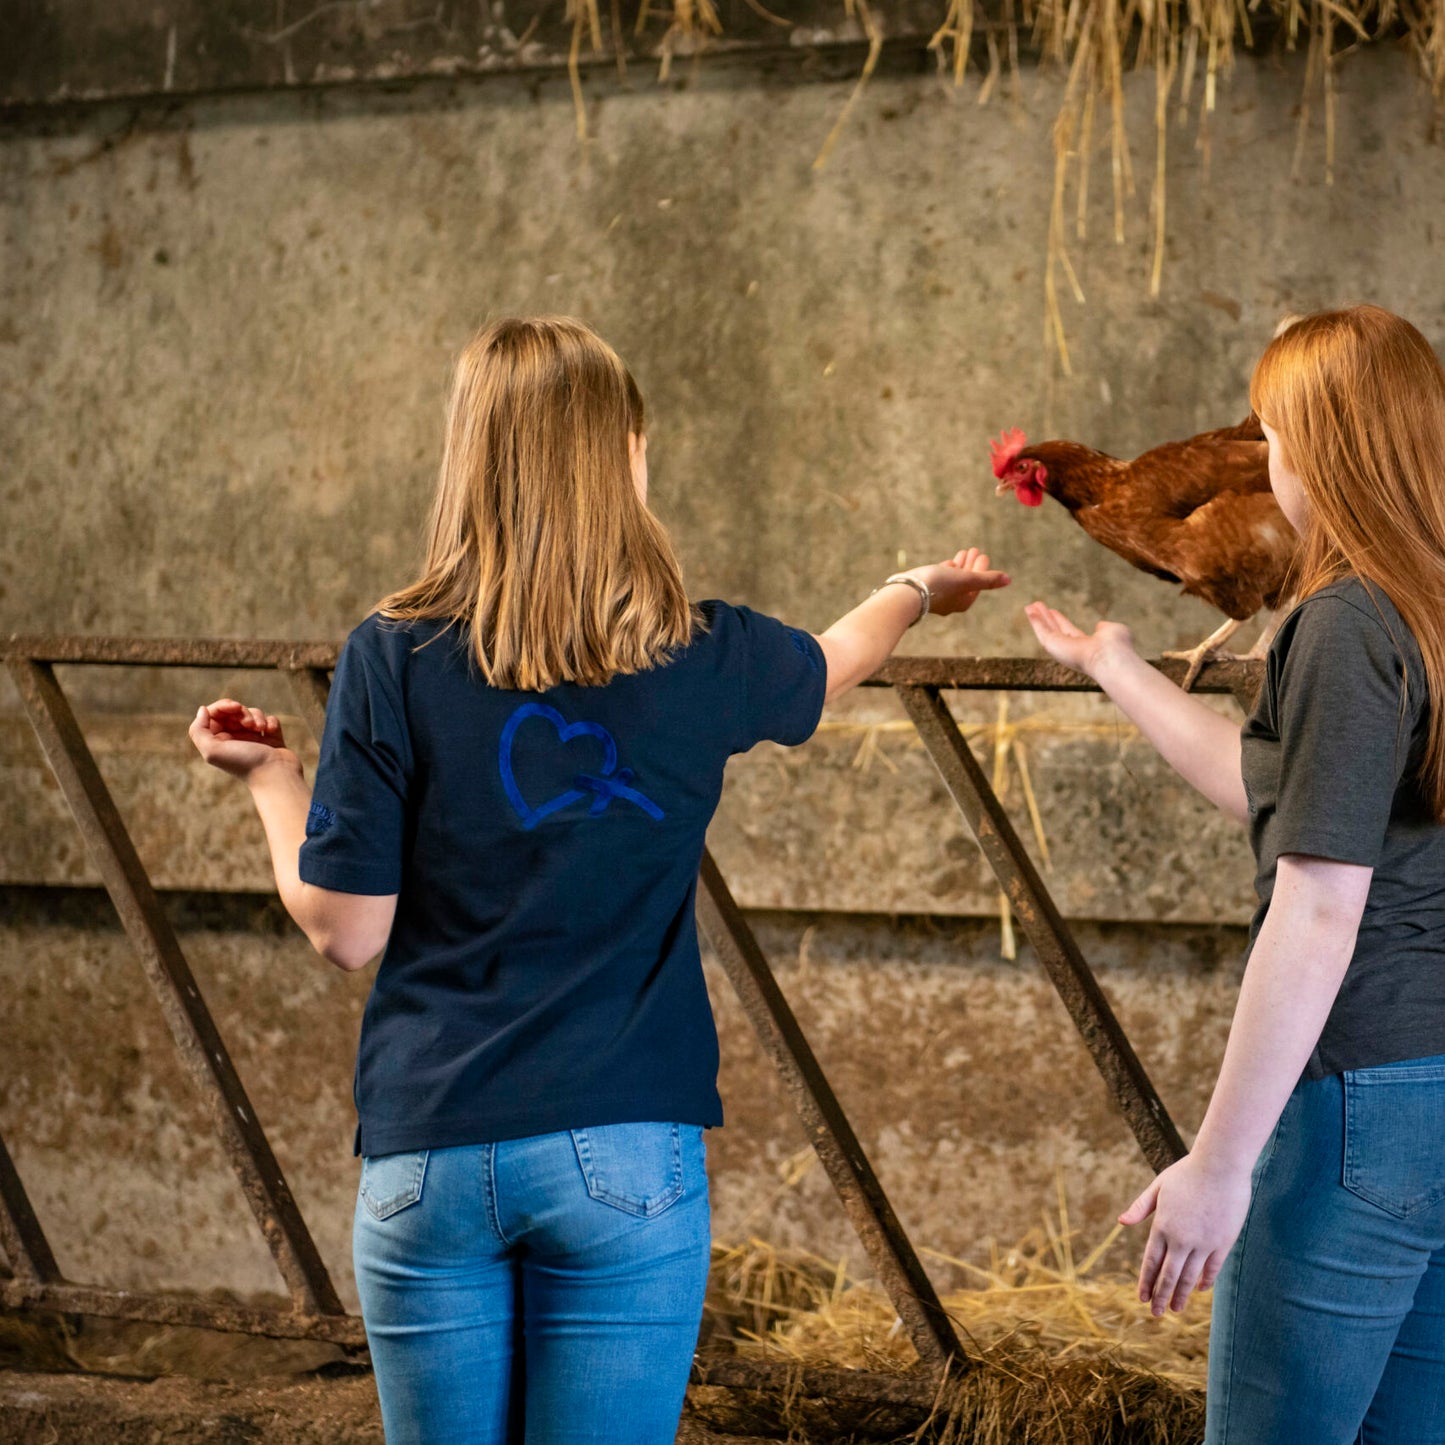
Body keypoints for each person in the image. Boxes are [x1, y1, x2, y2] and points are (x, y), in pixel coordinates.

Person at [188, 315, 1010, 1445]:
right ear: (626, 456)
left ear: (469, 454)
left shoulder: (392, 651)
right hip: (622, 1149)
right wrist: (917, 585)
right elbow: (831, 665)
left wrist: (272, 779)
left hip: (430, 1146)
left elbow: (343, 928)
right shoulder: (697, 648)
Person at [1025, 304, 1445, 1444]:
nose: (1265, 461)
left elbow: (1316, 904)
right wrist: (1115, 664)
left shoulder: (1344, 620)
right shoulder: (1425, 606)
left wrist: (1217, 1163)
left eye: (1270, 436)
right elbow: (1291, 790)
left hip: (1359, 1095)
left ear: (1314, 448)